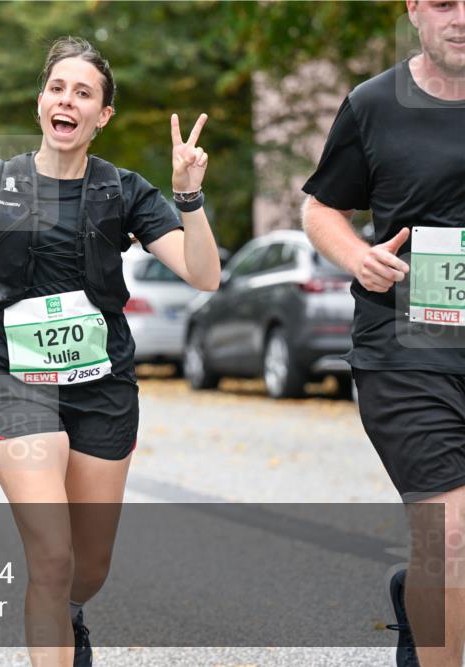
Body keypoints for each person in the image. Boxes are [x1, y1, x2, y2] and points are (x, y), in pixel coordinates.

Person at [0, 38, 220, 666]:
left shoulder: (125, 191)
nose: (68, 101)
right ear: (40, 102)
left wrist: (187, 195)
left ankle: (70, 613)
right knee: (51, 558)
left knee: (88, 567)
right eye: (58, 88)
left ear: (101, 116)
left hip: (104, 387)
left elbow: (203, 273)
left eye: (84, 93)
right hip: (17, 382)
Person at [302, 3, 465, 666]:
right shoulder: (374, 105)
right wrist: (357, 256)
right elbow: (321, 207)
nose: (462, 17)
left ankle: (419, 602)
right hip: (405, 350)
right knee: (447, 535)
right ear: (414, 11)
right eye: (445, 2)